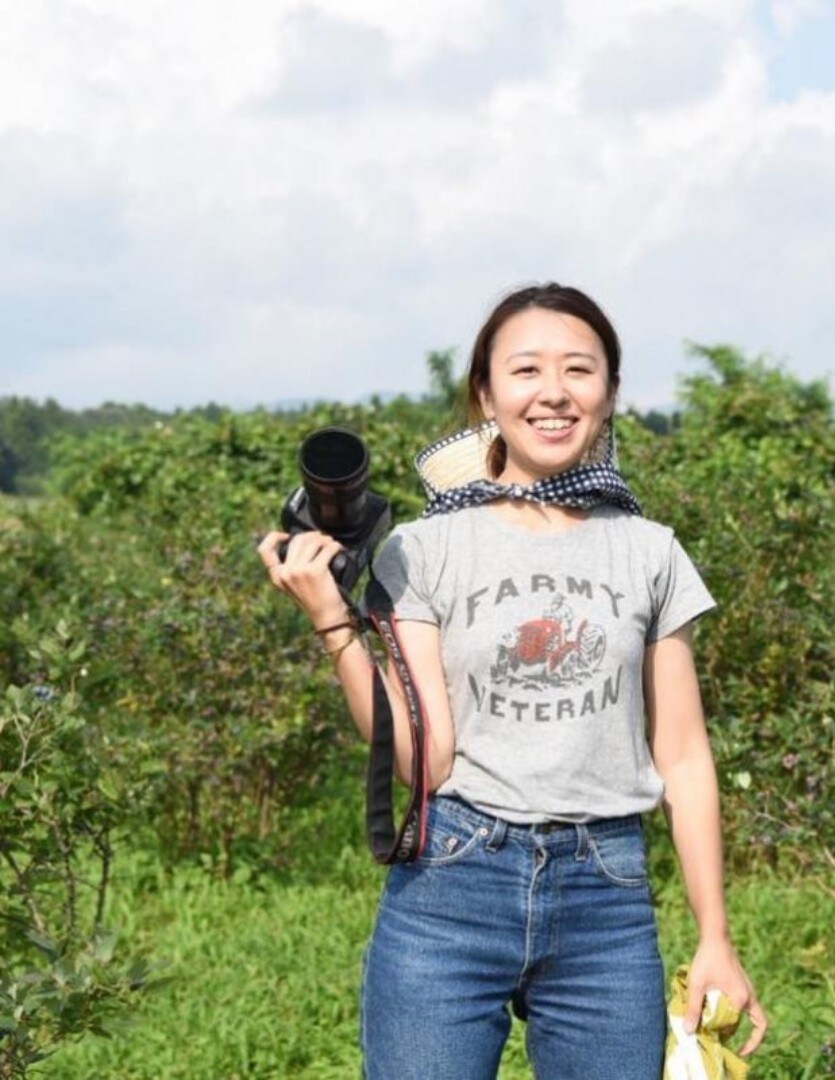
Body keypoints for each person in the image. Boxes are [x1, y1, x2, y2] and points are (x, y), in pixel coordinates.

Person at [258, 283, 767, 1079]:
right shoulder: (423, 551)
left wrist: (716, 939)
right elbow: (425, 759)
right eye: (526, 370)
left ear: (609, 393)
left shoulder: (650, 551)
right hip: (451, 886)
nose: (554, 392)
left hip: (607, 896)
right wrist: (331, 618)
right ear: (487, 394)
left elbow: (685, 757)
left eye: (579, 370)